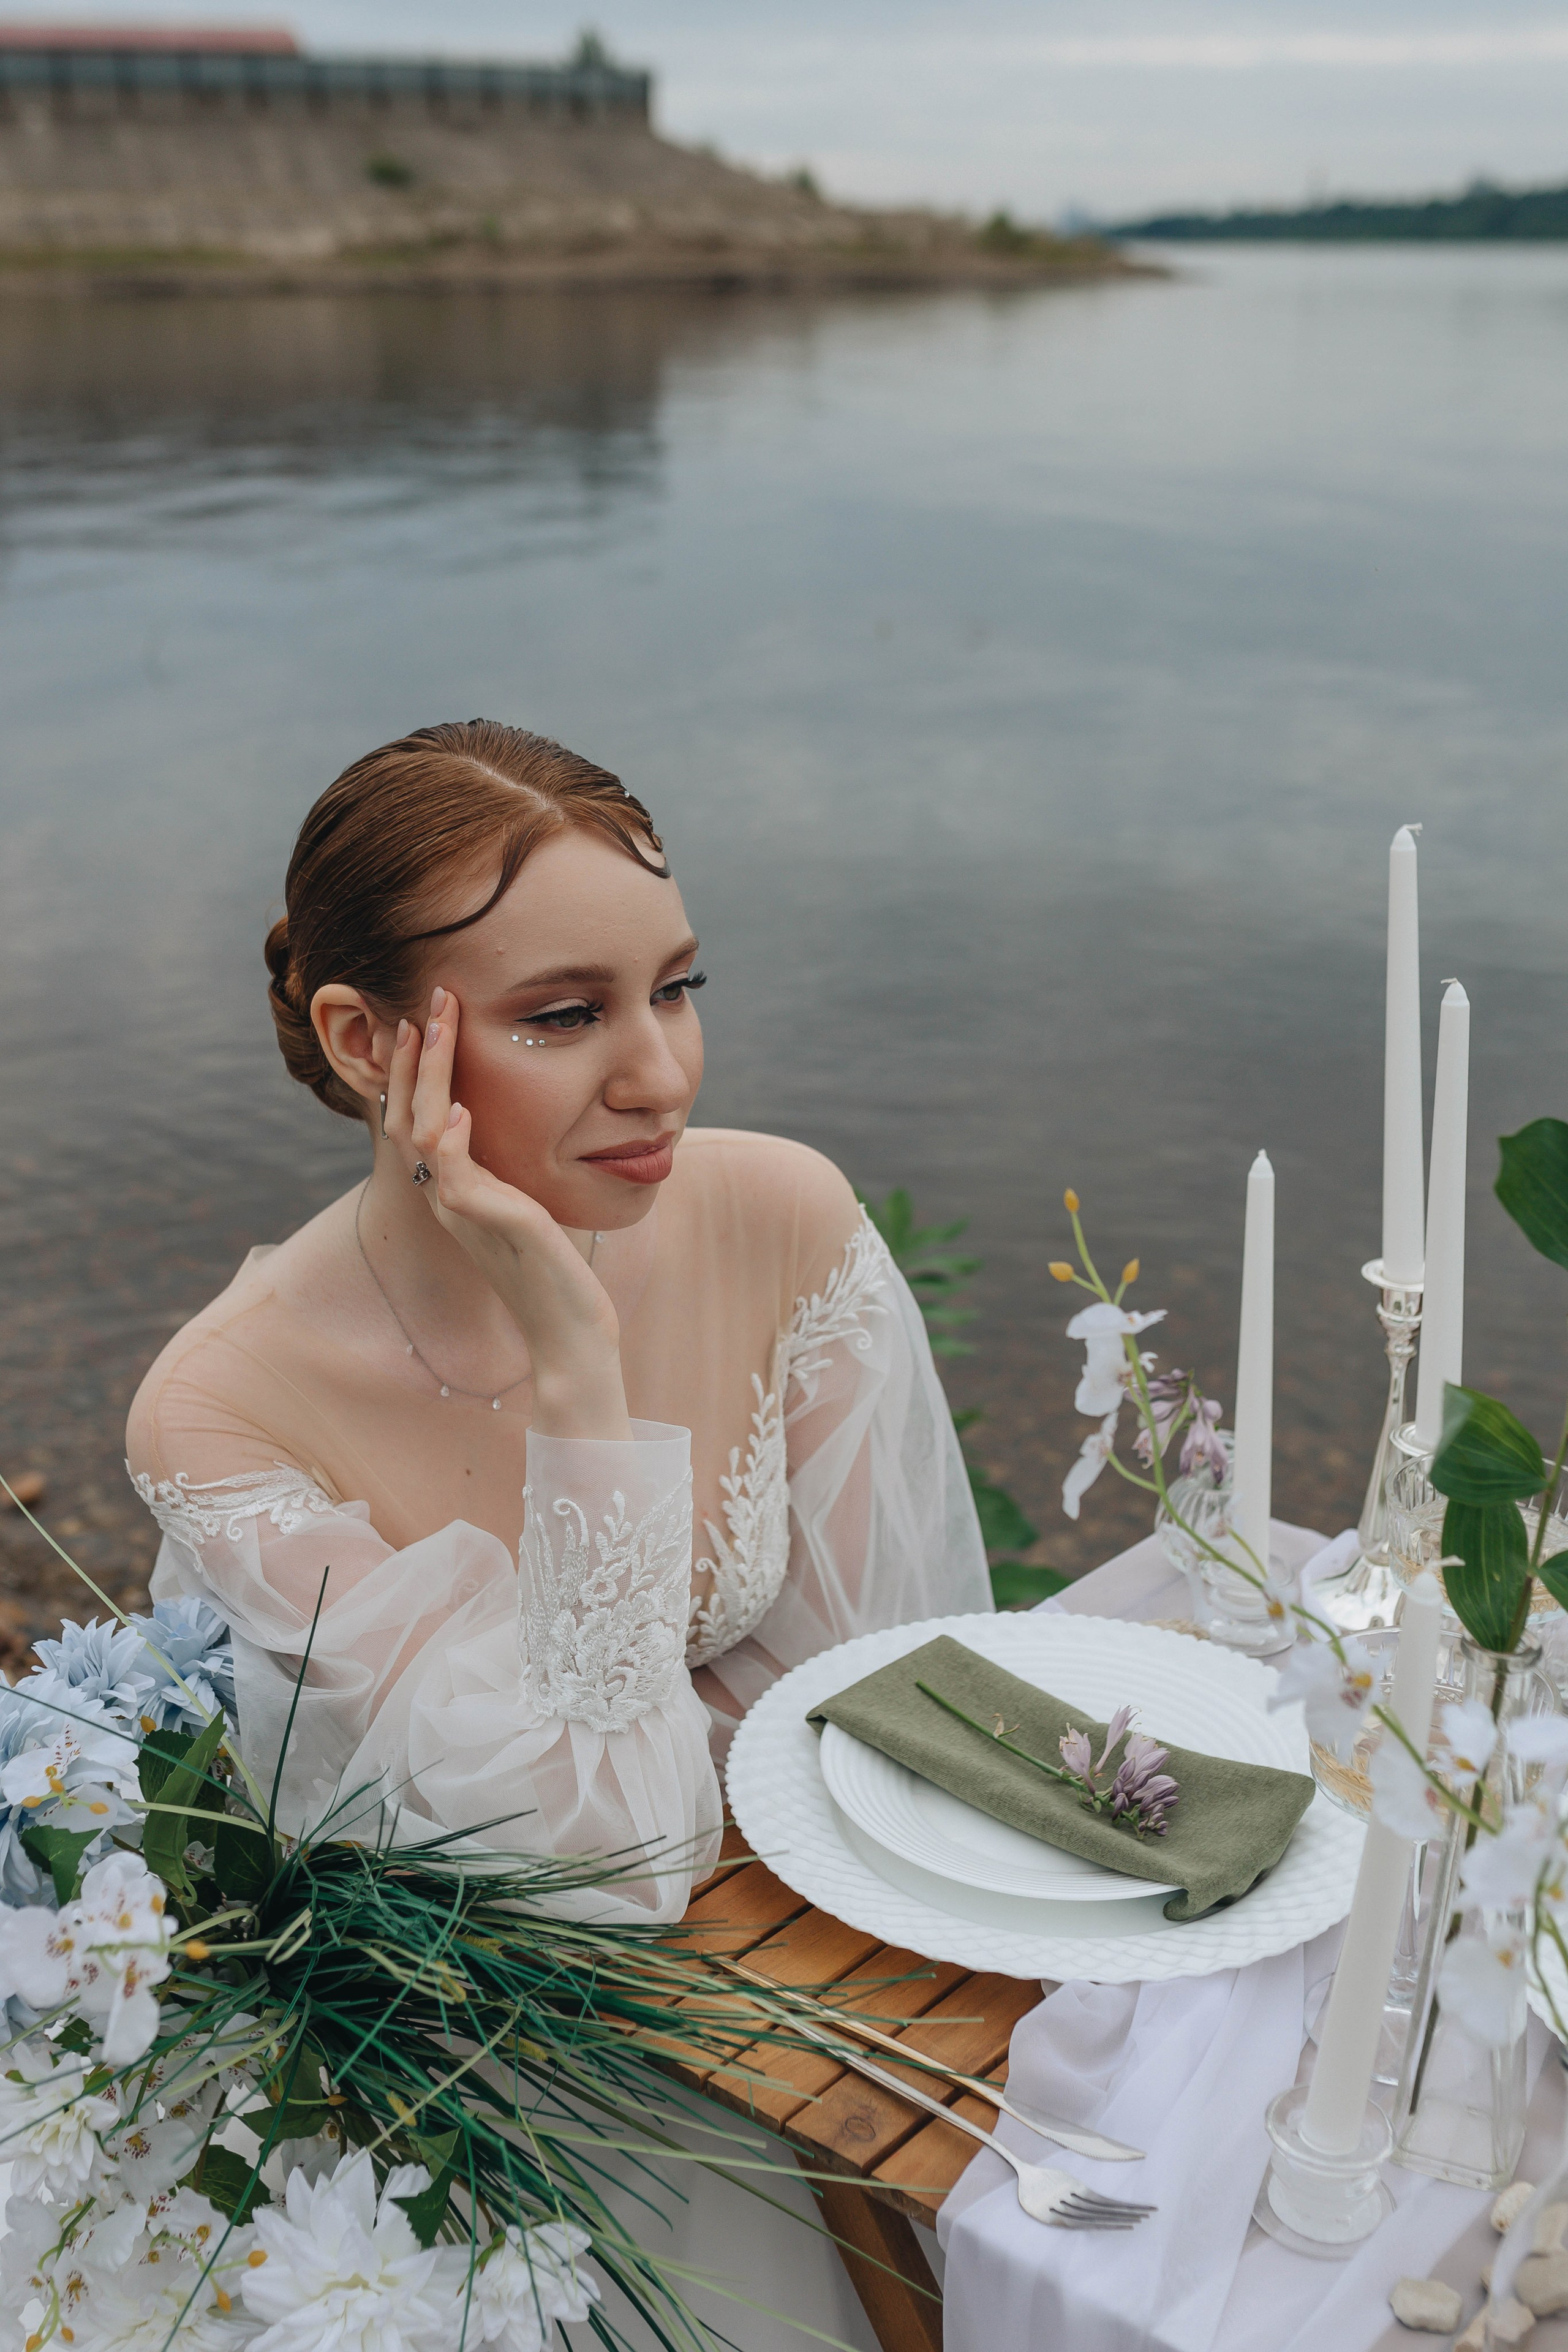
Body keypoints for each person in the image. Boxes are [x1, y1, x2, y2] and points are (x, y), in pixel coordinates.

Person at [127, 719, 991, 1927]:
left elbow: (860, 1704)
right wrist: (578, 1368)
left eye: (675, 988)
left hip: (797, 1925)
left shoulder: (777, 1216)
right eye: (564, 1016)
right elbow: (592, 1860)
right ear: (364, 1042)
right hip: (468, 2019)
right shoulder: (222, 1410)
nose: (662, 1076)